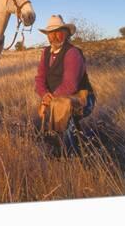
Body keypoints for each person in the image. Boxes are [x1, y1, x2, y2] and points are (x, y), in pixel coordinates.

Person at [34, 15, 96, 153]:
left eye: (58, 32)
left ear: (66, 33)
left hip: (83, 99)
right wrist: (44, 95)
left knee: (61, 106)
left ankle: (69, 153)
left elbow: (70, 85)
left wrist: (46, 102)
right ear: (47, 35)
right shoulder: (45, 52)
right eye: (51, 33)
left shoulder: (72, 52)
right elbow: (39, 79)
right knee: (59, 105)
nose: (54, 36)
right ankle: (75, 142)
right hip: (57, 98)